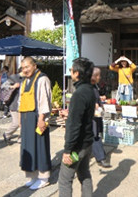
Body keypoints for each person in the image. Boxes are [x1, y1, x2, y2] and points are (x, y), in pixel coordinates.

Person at [59, 57, 96, 197]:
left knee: (64, 180)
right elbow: (83, 116)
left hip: (77, 145)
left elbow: (74, 126)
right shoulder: (90, 90)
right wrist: (71, 114)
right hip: (87, 142)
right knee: (84, 174)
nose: (70, 72)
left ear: (77, 73)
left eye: (71, 70)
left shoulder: (78, 94)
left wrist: (68, 150)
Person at [19, 57, 52, 190]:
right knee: (28, 147)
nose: (25, 70)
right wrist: (21, 120)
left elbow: (44, 99)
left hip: (38, 117)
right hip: (27, 118)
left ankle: (44, 177)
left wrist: (42, 119)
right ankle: (32, 175)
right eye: (23, 68)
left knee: (40, 146)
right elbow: (21, 101)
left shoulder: (42, 79)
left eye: (27, 67)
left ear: (34, 66)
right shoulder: (25, 80)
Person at [91, 67, 111, 168]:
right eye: (98, 75)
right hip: (91, 115)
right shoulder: (88, 86)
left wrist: (100, 99)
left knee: (96, 134)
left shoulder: (94, 86)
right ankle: (100, 158)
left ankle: (100, 154)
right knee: (95, 135)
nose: (100, 77)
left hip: (96, 114)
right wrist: (94, 104)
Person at [3, 70, 24, 144]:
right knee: (16, 123)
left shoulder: (28, 78)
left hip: (24, 104)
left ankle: (21, 139)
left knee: (23, 122)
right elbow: (4, 87)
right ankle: (7, 134)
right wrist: (13, 86)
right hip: (14, 104)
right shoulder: (13, 77)